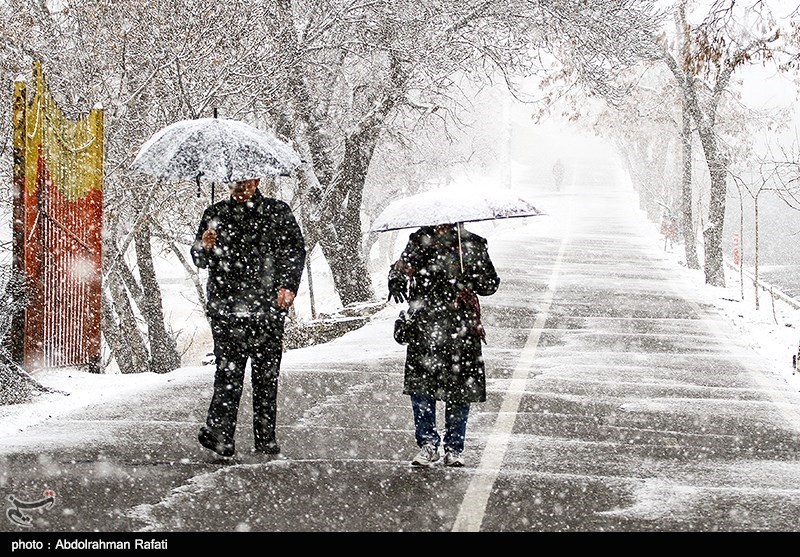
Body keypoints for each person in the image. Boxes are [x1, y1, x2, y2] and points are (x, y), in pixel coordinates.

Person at [191, 177, 306, 458]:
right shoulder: (214, 214)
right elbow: (199, 259)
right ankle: (221, 436)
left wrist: (288, 286)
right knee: (228, 372)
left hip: (266, 307)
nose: (240, 187)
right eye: (235, 182)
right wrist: (204, 246)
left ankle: (265, 438)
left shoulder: (277, 211)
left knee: (266, 375)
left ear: (257, 180)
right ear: (227, 183)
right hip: (226, 308)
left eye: (246, 182)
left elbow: (294, 251)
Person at [388, 222, 500, 467]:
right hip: (424, 326)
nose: (443, 226)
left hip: (462, 328)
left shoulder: (473, 244)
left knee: (460, 389)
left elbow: (490, 284)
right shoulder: (419, 241)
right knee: (421, 388)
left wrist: (472, 278)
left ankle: (454, 447)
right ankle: (428, 443)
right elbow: (402, 267)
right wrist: (395, 278)